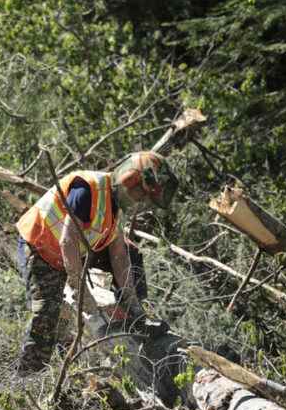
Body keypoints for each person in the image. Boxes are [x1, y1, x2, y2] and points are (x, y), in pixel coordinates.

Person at [15, 151, 179, 373]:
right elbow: (68, 241)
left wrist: (132, 302)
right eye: (141, 195)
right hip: (40, 244)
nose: (140, 202)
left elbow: (120, 256)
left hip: (70, 249)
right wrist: (82, 292)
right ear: (130, 180)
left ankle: (133, 320)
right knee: (47, 312)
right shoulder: (89, 189)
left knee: (131, 253)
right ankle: (27, 376)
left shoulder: (114, 207)